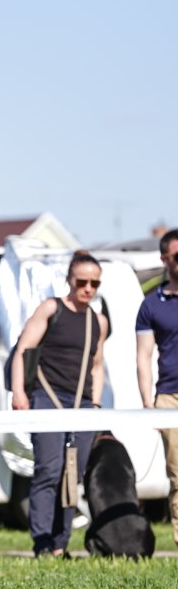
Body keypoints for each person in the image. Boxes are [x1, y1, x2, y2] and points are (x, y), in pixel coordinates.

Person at [11, 250, 108, 557]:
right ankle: (42, 541)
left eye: (94, 283)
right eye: (82, 282)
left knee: (73, 475)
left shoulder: (98, 321)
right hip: (47, 398)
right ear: (69, 279)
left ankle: (60, 544)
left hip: (81, 404)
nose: (88, 289)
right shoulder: (51, 308)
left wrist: (95, 404)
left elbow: (97, 366)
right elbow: (23, 350)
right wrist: (19, 393)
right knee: (49, 470)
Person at [137, 228, 178, 547]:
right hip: (169, 397)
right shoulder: (151, 305)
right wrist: (148, 406)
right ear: (165, 259)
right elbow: (143, 357)